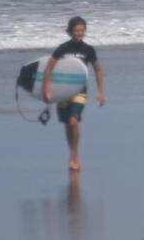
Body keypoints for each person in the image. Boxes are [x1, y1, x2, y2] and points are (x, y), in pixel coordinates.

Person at [44, 16, 105, 171]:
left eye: (82, 30)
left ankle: (74, 155)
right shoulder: (62, 48)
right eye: (77, 30)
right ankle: (72, 152)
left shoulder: (88, 50)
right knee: (67, 125)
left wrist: (100, 92)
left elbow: (98, 70)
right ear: (70, 32)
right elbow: (49, 67)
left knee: (73, 121)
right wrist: (46, 89)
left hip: (80, 91)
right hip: (63, 91)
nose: (79, 33)